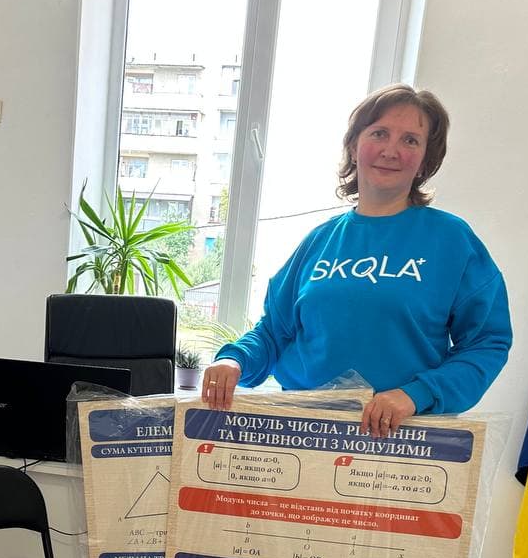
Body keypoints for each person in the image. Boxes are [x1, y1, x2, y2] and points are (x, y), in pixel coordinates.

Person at [201, 84, 511, 438]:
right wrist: (234, 360)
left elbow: (487, 342)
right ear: (353, 145)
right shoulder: (319, 241)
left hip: (398, 439)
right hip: (301, 432)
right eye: (379, 133)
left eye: (410, 140)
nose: (391, 150)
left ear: (426, 160)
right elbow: (274, 333)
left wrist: (417, 394)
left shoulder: (452, 241)